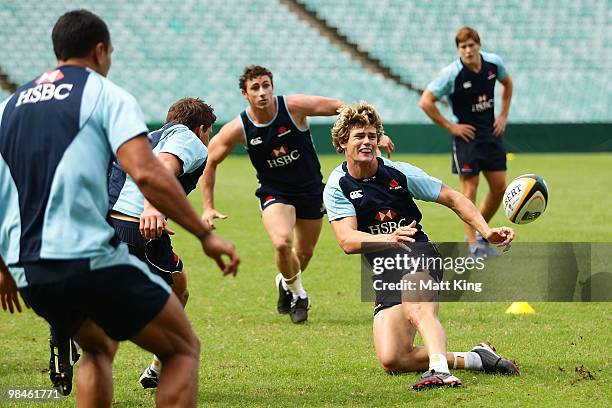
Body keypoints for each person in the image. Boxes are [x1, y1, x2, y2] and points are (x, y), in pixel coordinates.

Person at [0, 10, 239, 407]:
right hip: (85, 256)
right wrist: (204, 234)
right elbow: (148, 172)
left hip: (28, 267)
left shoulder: (10, 107)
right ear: (100, 51)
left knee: (98, 347)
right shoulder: (105, 95)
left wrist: (4, 268)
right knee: (181, 348)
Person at [323, 102, 519, 390]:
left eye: (371, 136)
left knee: (417, 308)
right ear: (343, 143)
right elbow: (347, 240)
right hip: (385, 268)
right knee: (393, 359)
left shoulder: (399, 173)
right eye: (359, 136)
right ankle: (477, 359)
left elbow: (452, 197)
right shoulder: (337, 186)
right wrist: (388, 238)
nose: (367, 142)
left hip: (418, 254)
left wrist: (485, 231)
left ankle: (439, 370)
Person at [202, 65, 391, 323]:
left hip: (311, 190)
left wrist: (372, 135)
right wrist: (208, 206)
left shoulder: (294, 108)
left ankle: (285, 282)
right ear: (245, 94)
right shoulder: (239, 128)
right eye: (255, 88)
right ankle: (300, 295)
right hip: (274, 193)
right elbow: (210, 160)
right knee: (282, 243)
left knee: (303, 255)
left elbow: (339, 107)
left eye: (266, 85)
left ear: (272, 86)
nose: (262, 92)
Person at [419, 26, 513, 258]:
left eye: (472, 45)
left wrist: (503, 115)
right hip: (466, 139)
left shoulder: (493, 64)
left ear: (479, 45)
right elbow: (426, 102)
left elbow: (508, 83)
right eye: (463, 47)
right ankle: (473, 246)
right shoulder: (451, 74)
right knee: (469, 191)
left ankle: (482, 234)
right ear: (458, 50)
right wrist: (451, 127)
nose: (468, 50)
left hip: (491, 134)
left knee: (500, 187)